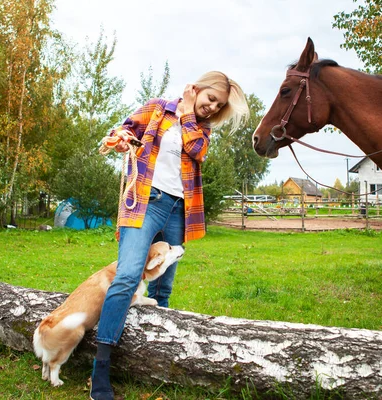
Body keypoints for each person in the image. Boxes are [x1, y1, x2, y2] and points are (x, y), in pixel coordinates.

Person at [90, 71, 249, 400]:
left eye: (217, 107)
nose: (211, 108)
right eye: (209, 99)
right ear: (196, 88)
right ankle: (100, 368)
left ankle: (152, 358)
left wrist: (190, 112)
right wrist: (119, 137)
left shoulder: (201, 130)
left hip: (179, 210)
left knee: (163, 288)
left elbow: (196, 150)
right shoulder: (158, 109)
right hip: (145, 203)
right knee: (128, 275)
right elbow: (122, 128)